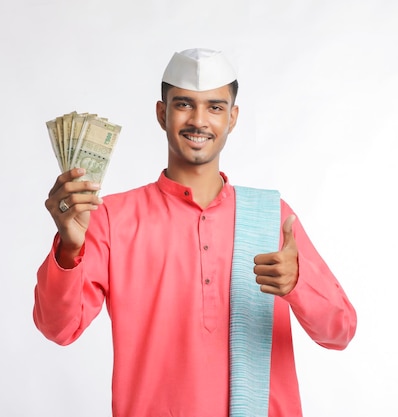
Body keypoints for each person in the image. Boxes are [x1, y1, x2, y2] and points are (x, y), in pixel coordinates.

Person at [34, 48, 357, 417]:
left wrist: (298, 282)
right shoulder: (111, 218)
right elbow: (59, 329)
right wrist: (69, 249)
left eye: (215, 107)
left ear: (233, 118)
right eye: (184, 104)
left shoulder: (269, 216)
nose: (199, 120)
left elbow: (341, 330)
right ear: (162, 113)